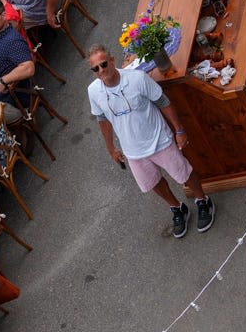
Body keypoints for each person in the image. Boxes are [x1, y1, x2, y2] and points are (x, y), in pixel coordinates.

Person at [87, 43, 215, 237]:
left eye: (104, 64)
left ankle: (203, 200)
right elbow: (102, 120)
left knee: (183, 173)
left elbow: (163, 102)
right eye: (95, 68)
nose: (101, 70)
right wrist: (111, 148)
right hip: (132, 151)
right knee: (153, 183)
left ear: (112, 61)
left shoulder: (137, 78)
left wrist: (179, 130)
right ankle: (177, 208)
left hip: (159, 140)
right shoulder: (94, 91)